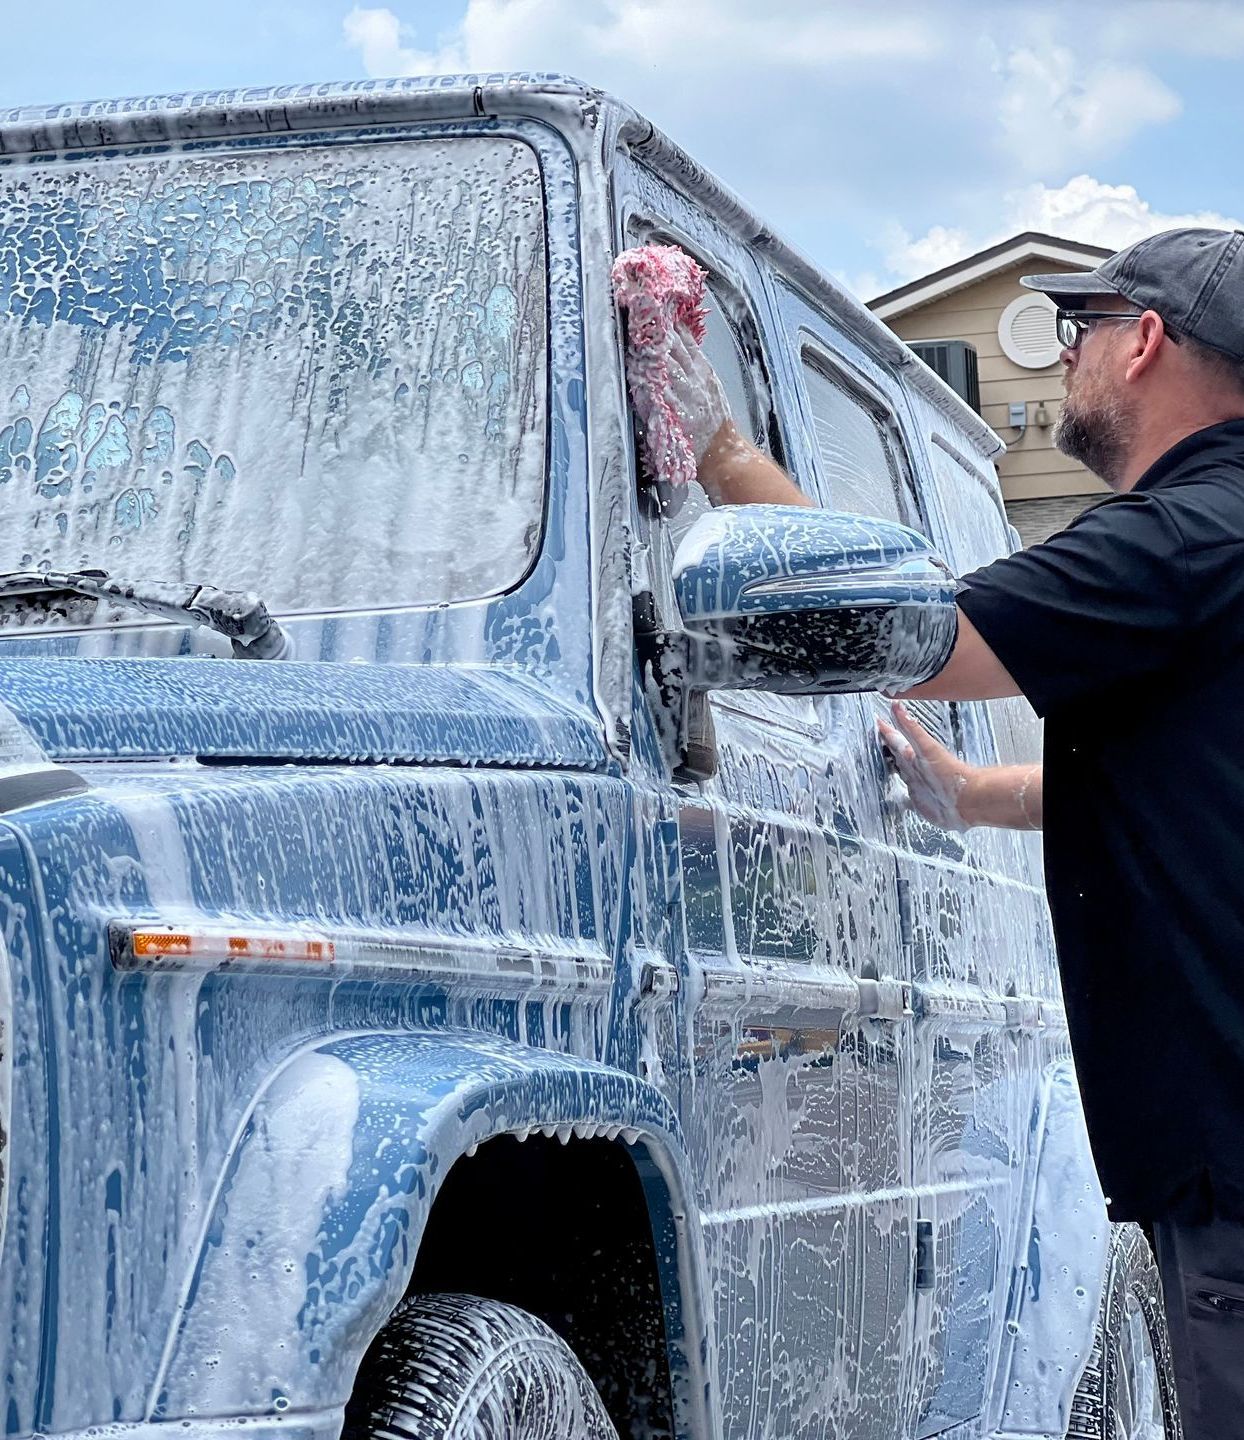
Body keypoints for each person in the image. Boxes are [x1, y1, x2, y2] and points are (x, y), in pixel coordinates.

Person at [662, 228, 1244, 1438]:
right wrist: (970, 795)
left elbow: (898, 625)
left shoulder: (1181, 539)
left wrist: (716, 449)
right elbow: (1187, 774)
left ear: (1142, 342)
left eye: (1079, 329)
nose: (1069, 356)